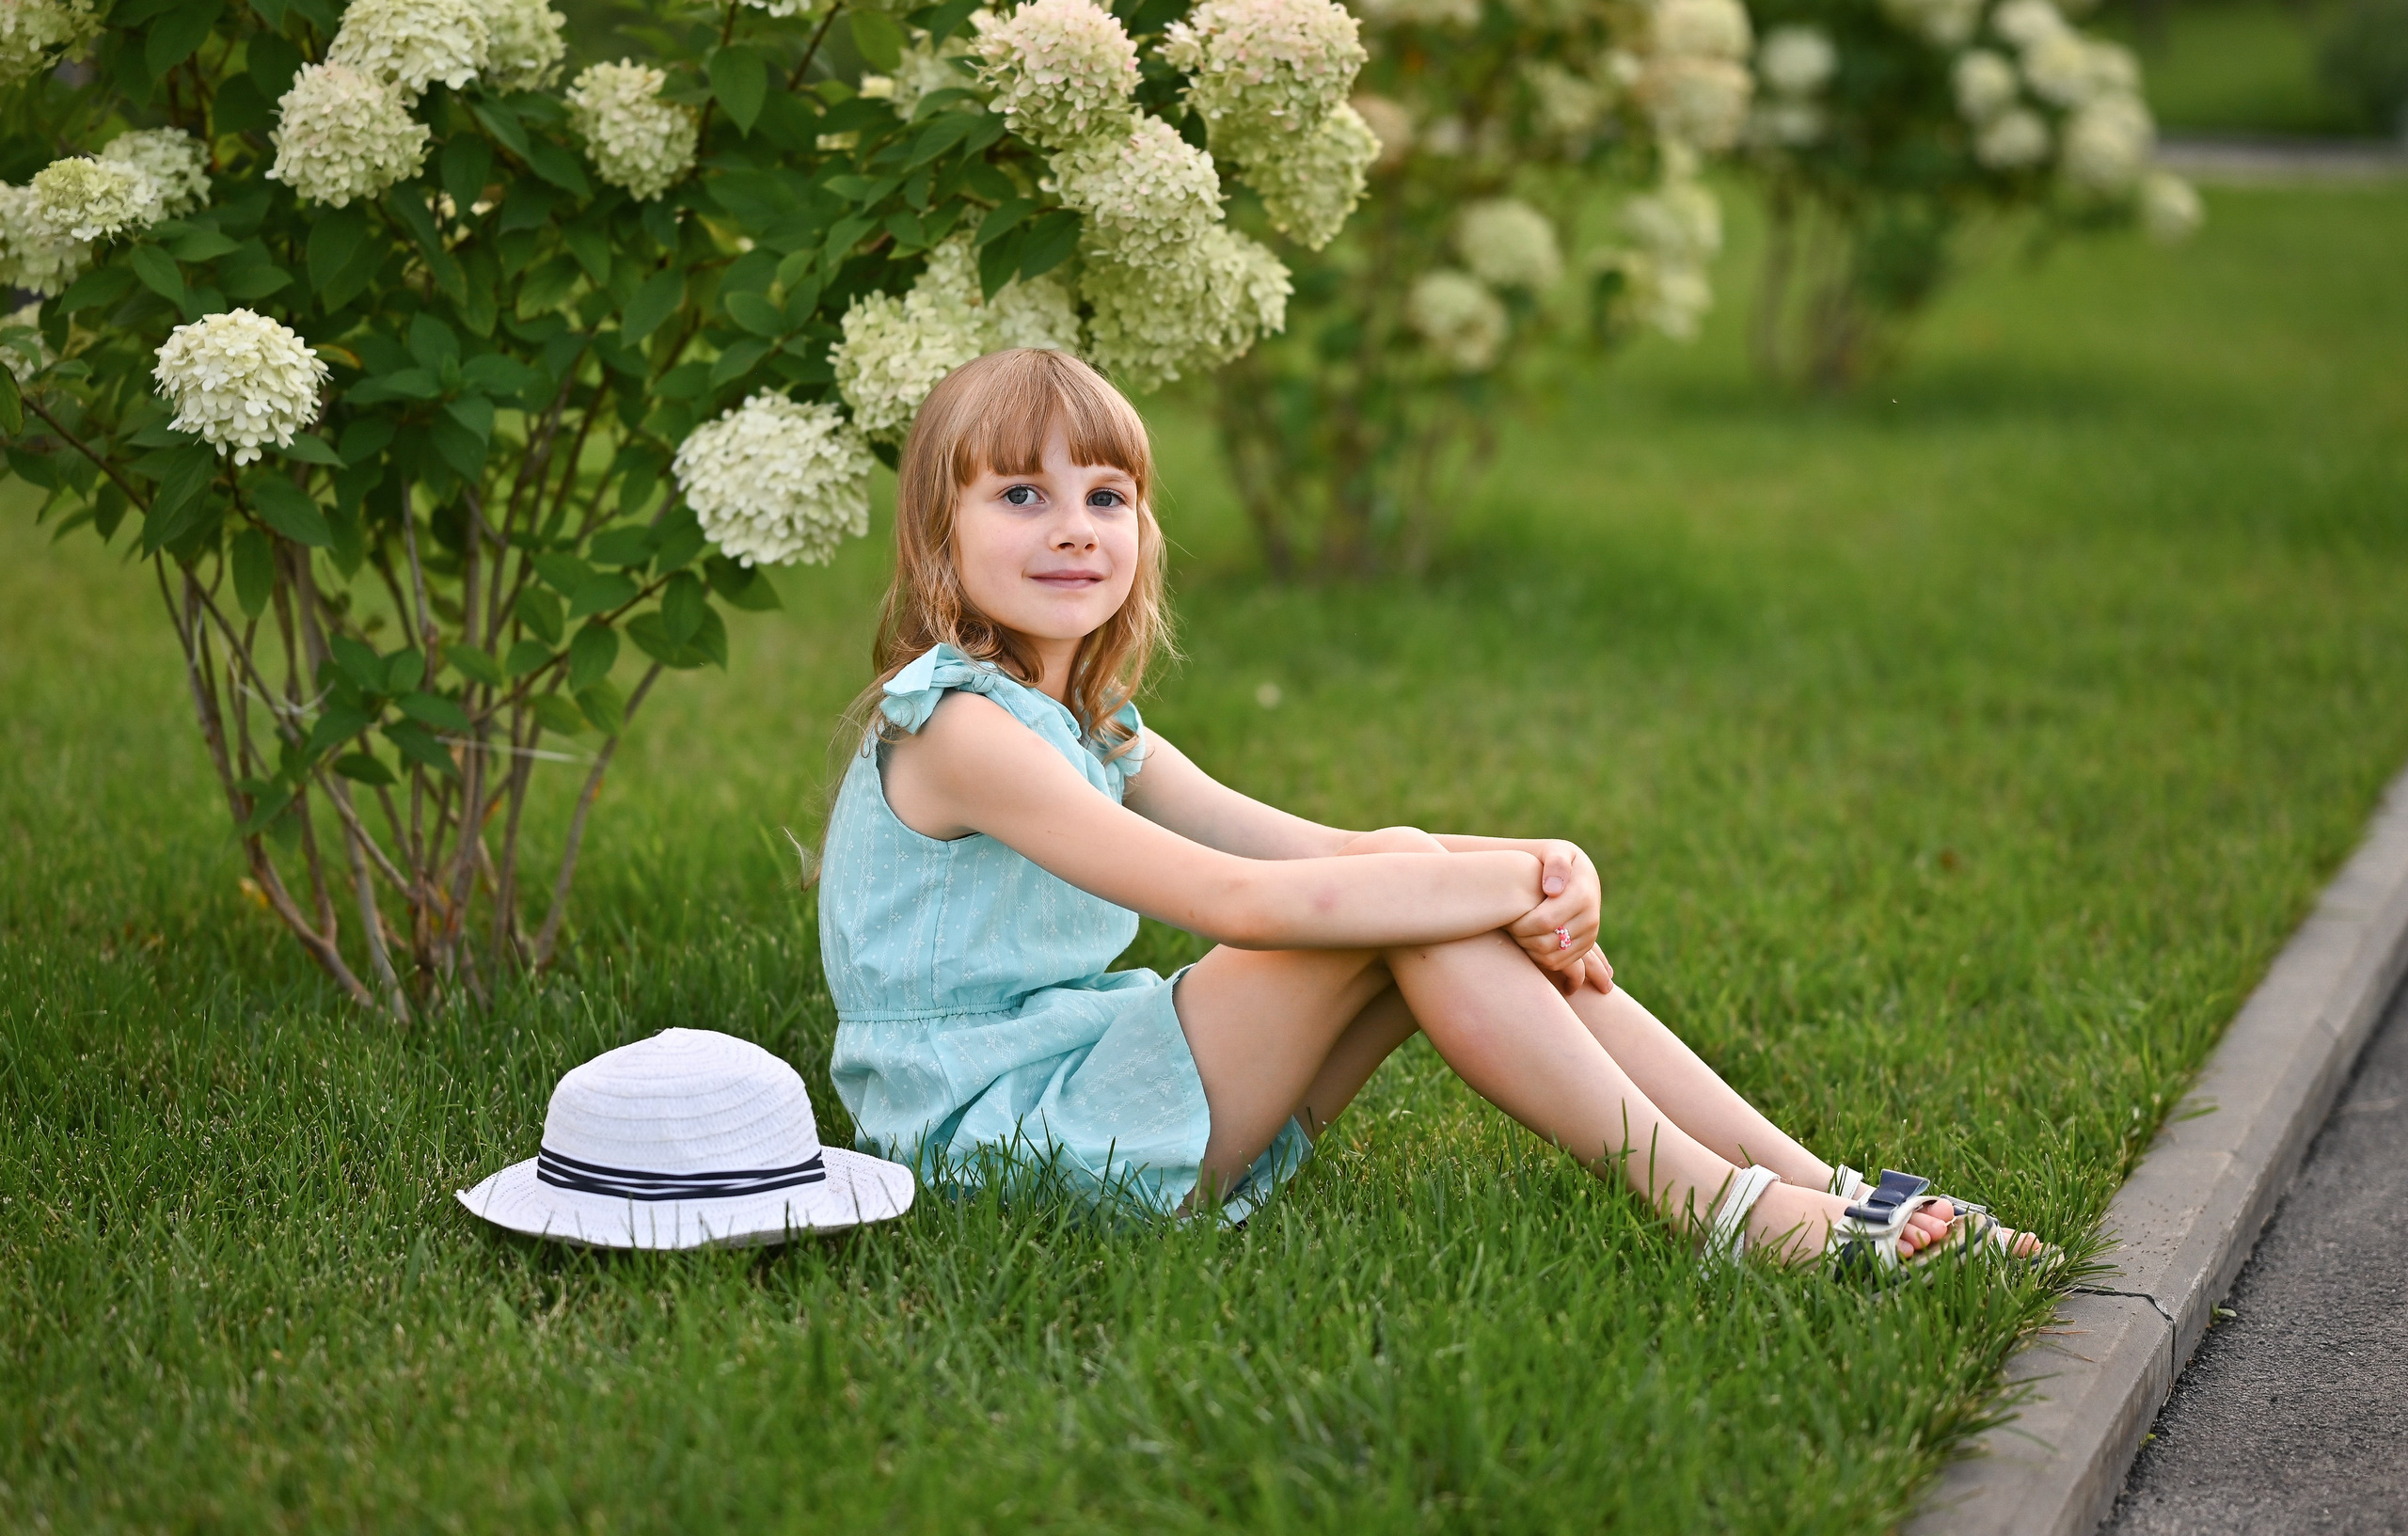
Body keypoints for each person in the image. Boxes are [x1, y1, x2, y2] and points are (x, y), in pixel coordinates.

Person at [817, 348, 2042, 1269]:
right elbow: (1239, 898)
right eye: (1021, 498)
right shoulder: (964, 729)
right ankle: (1733, 1211)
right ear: (938, 534)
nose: (1074, 529)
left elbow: (1327, 852)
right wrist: (1518, 882)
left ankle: (1807, 1184)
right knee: (1410, 900)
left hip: (1076, 1082)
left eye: (1106, 497)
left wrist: (1536, 867)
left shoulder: (1093, 720)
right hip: (988, 1149)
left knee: (1409, 886)